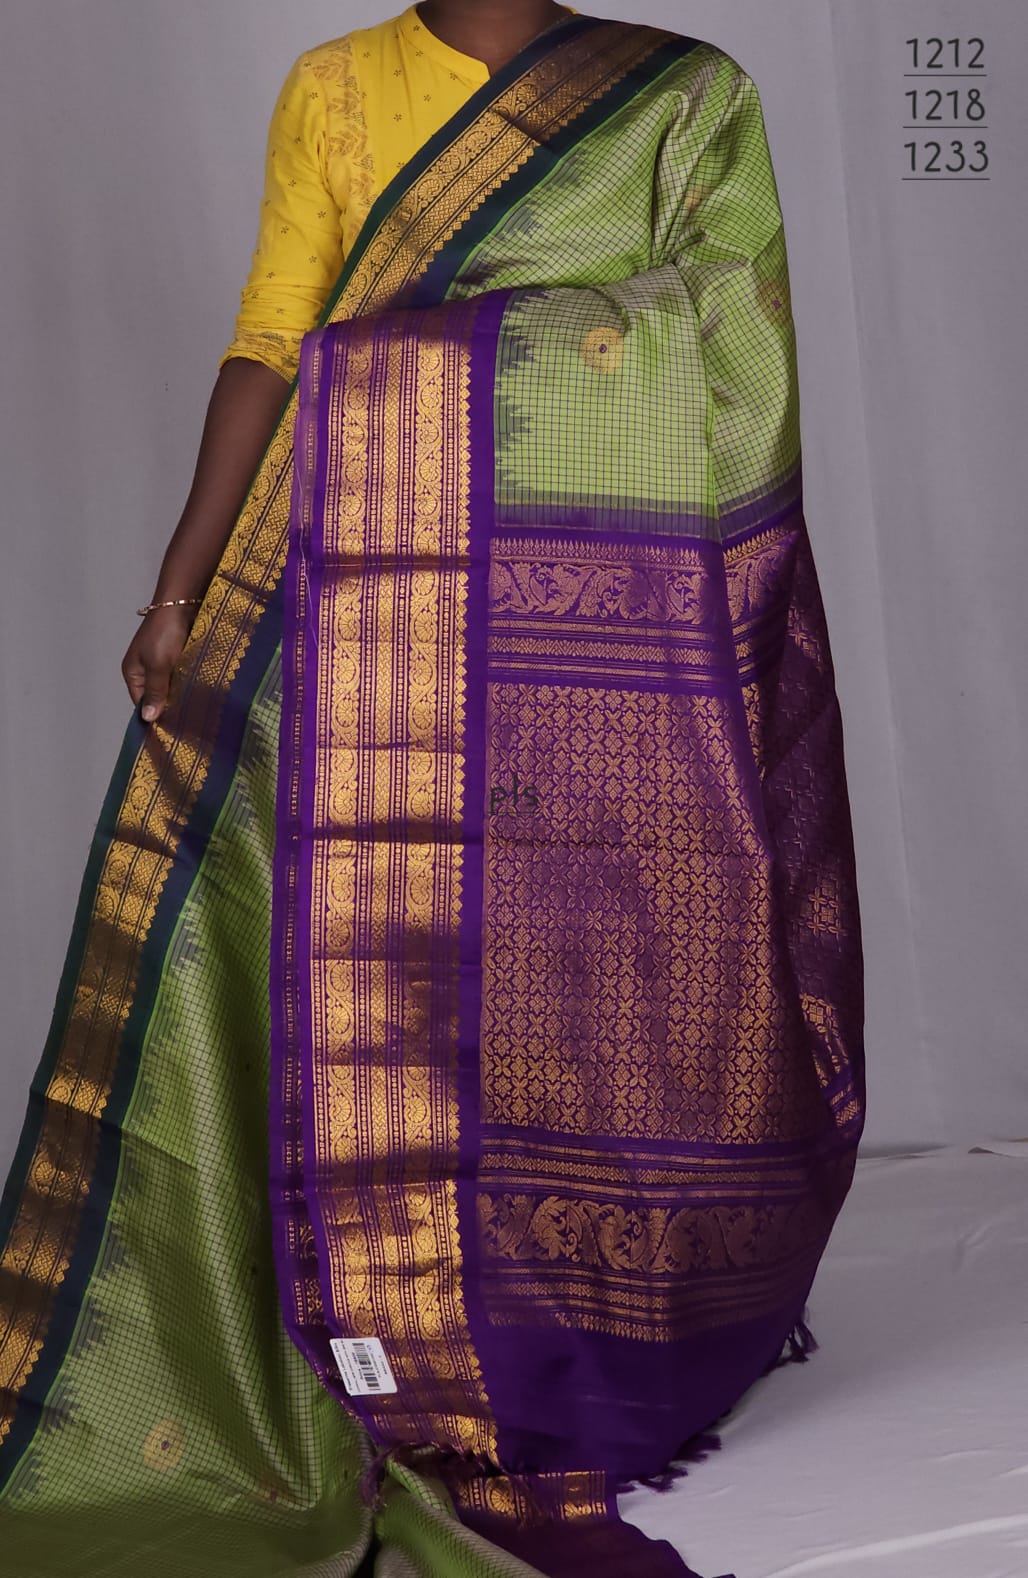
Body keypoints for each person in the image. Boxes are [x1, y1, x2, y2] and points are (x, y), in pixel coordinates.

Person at [0, 5, 866, 1576]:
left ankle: (544, 1323)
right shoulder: (334, 87)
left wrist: (420, 373)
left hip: (575, 625)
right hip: (338, 600)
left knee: (551, 966)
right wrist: (180, 591)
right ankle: (316, 1320)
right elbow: (274, 340)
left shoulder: (685, 99)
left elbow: (736, 356)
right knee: (297, 952)